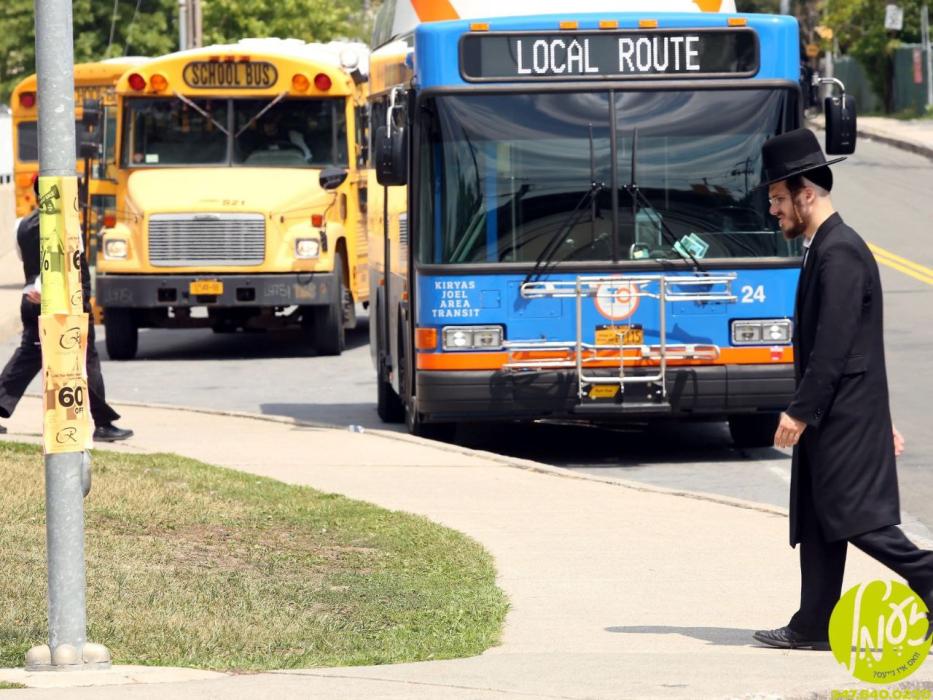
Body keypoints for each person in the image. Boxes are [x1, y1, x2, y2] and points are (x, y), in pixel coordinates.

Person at [753, 128, 933, 650]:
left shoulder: (841, 252)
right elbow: (861, 346)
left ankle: (927, 575)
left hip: (842, 415)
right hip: (844, 411)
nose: (773, 210)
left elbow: (833, 346)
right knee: (818, 516)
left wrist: (799, 411)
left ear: (806, 194)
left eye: (778, 198)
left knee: (855, 518)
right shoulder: (824, 248)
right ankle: (813, 624)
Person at [0, 175, 133, 441]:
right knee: (84, 359)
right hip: (62, 301)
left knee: (29, 354)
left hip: (31, 299)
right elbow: (64, 262)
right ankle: (103, 423)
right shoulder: (66, 225)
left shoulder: (21, 225)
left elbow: (27, 260)